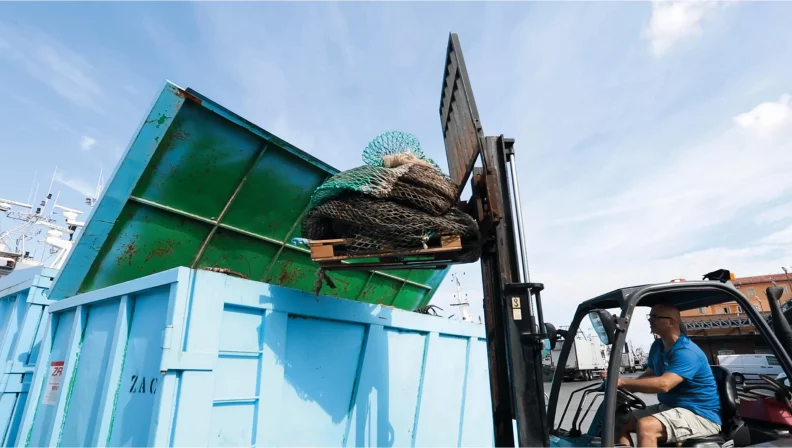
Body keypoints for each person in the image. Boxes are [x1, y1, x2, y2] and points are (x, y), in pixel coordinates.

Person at [609, 304, 722, 447]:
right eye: (650, 317)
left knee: (646, 427)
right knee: (620, 421)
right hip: (669, 407)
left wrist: (621, 383)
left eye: (655, 317)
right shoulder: (657, 346)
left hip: (700, 414)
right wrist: (626, 389)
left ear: (672, 322)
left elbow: (664, 384)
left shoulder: (686, 351)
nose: (650, 321)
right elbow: (650, 373)